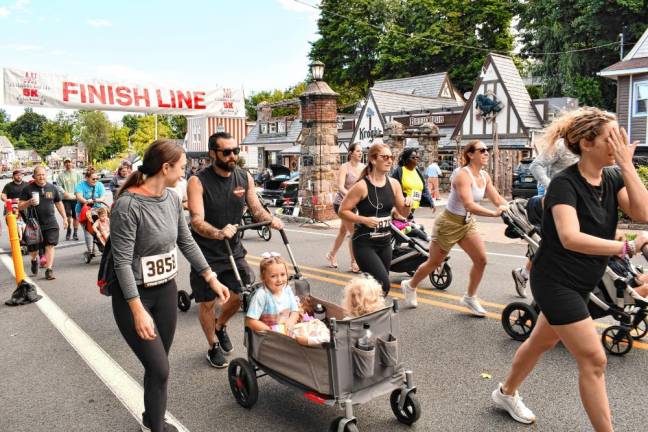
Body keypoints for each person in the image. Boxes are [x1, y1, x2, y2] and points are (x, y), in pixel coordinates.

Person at [490, 108, 648, 430]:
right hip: (554, 281)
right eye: (611, 138)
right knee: (594, 359)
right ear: (586, 143)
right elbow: (570, 237)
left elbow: (643, 212)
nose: (618, 143)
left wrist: (627, 165)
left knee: (540, 342)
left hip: (582, 281)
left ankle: (506, 392)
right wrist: (625, 246)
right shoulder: (565, 184)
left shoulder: (614, 177)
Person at [110, 139, 230, 432]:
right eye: (181, 167)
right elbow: (122, 263)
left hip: (165, 292)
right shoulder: (127, 206)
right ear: (165, 167)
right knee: (160, 367)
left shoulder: (173, 198)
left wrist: (210, 276)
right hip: (135, 297)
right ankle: (157, 427)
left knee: (158, 367)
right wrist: (137, 309)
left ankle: (152, 419)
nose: (185, 172)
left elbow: (185, 241)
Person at [188, 131, 283, 368]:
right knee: (208, 302)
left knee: (241, 295)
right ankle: (212, 345)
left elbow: (256, 208)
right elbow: (196, 221)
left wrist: (270, 219)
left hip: (233, 249)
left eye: (236, 151)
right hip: (206, 253)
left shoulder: (243, 177)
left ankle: (220, 326)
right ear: (213, 154)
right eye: (226, 152)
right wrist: (218, 232)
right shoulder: (197, 181)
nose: (233, 156)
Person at [400, 140, 508, 315]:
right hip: (448, 224)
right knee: (435, 262)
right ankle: (410, 285)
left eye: (487, 150)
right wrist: (494, 214)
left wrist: (513, 208)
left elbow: (497, 200)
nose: (486, 153)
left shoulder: (484, 176)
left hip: (467, 224)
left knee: (481, 260)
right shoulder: (462, 175)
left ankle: (470, 297)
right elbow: (469, 205)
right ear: (470, 154)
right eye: (482, 150)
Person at [339, 142, 412, 295]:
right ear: (373, 160)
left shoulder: (394, 184)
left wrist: (408, 204)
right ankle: (363, 309)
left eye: (391, 157)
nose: (389, 160)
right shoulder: (362, 186)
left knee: (377, 289)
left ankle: (366, 312)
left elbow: (403, 213)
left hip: (385, 243)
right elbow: (342, 211)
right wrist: (364, 220)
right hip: (365, 244)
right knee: (384, 285)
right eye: (385, 157)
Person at [512, 139, 580, 297]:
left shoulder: (584, 146)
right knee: (553, 243)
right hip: (551, 198)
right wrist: (552, 186)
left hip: (570, 200)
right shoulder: (561, 144)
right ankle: (550, 289)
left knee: (548, 243)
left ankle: (524, 274)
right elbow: (536, 165)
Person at [18, 166, 68, 280]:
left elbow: (59, 203)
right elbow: (20, 206)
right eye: (39, 175)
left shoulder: (52, 188)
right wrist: (29, 202)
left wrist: (64, 217)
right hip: (34, 223)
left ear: (46, 175)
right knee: (34, 249)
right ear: (34, 176)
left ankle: (49, 270)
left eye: (43, 174)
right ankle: (34, 260)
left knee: (50, 245)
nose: (41, 177)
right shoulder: (27, 189)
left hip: (50, 222)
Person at [325, 143, 365, 272]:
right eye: (358, 151)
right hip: (342, 204)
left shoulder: (363, 168)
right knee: (353, 232)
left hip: (355, 205)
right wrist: (351, 196)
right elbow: (340, 187)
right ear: (351, 153)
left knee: (343, 231)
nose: (360, 153)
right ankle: (354, 262)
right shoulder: (344, 167)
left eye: (361, 151)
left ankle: (331, 255)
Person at [245, 253, 300, 333]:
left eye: (282, 274)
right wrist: (271, 331)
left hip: (286, 332)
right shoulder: (262, 295)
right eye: (273, 276)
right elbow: (250, 321)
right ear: (263, 278)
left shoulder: (287, 289)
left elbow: (295, 311)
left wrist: (290, 321)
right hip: (269, 338)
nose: (279, 280)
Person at [391, 148, 433, 219]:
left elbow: (424, 187)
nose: (416, 159)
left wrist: (431, 202)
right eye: (413, 157)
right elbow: (392, 189)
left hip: (413, 208)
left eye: (417, 157)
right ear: (406, 159)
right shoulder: (399, 171)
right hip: (401, 209)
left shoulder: (417, 171)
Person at [75, 169, 107, 256]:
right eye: (93, 179)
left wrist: (97, 200)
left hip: (97, 210)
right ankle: (91, 250)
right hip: (83, 211)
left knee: (102, 228)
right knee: (88, 230)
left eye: (97, 178)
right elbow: (78, 196)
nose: (95, 180)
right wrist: (86, 201)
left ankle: (104, 246)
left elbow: (103, 196)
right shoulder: (80, 185)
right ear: (86, 178)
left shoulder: (99, 185)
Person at [56, 158, 83, 241]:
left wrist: (78, 194)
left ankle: (75, 233)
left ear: (72, 163)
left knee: (76, 216)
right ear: (64, 164)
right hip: (66, 198)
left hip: (76, 198)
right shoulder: (61, 175)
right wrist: (64, 192)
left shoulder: (78, 174)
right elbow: (58, 186)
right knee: (68, 217)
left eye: (69, 162)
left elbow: (81, 184)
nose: (68, 164)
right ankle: (68, 230)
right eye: (66, 163)